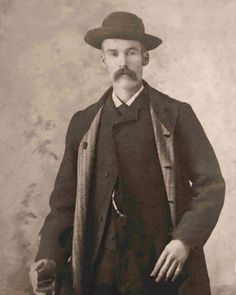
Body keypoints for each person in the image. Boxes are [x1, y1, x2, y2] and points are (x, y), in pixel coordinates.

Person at [30, 11, 225, 295]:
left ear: (145, 58)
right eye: (114, 53)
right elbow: (63, 203)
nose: (123, 63)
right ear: (103, 60)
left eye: (131, 52)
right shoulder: (83, 123)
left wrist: (184, 241)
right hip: (98, 272)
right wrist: (48, 256)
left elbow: (211, 186)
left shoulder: (176, 115)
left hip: (162, 270)